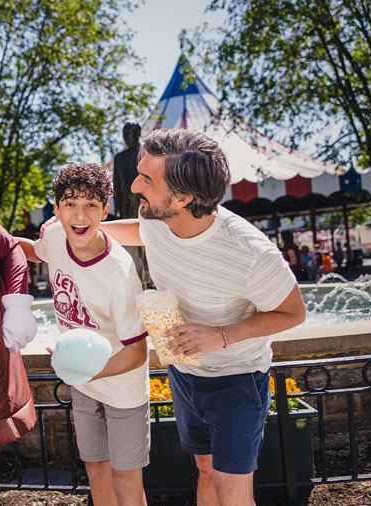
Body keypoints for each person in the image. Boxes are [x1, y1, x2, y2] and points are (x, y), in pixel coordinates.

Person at [81, 128, 305, 506]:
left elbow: (294, 313)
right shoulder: (157, 215)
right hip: (185, 374)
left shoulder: (252, 255)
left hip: (238, 381)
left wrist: (222, 334)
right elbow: (144, 232)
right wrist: (84, 231)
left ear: (182, 198)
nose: (134, 186)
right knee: (204, 469)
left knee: (233, 492)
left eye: (146, 179)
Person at [18, 162, 150, 506]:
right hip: (83, 385)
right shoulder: (55, 236)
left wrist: (80, 368)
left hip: (123, 389)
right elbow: (35, 251)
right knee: (96, 474)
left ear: (104, 211)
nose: (80, 215)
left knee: (127, 484)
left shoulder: (119, 272)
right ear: (57, 209)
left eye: (91, 204)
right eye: (70, 204)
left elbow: (137, 352)